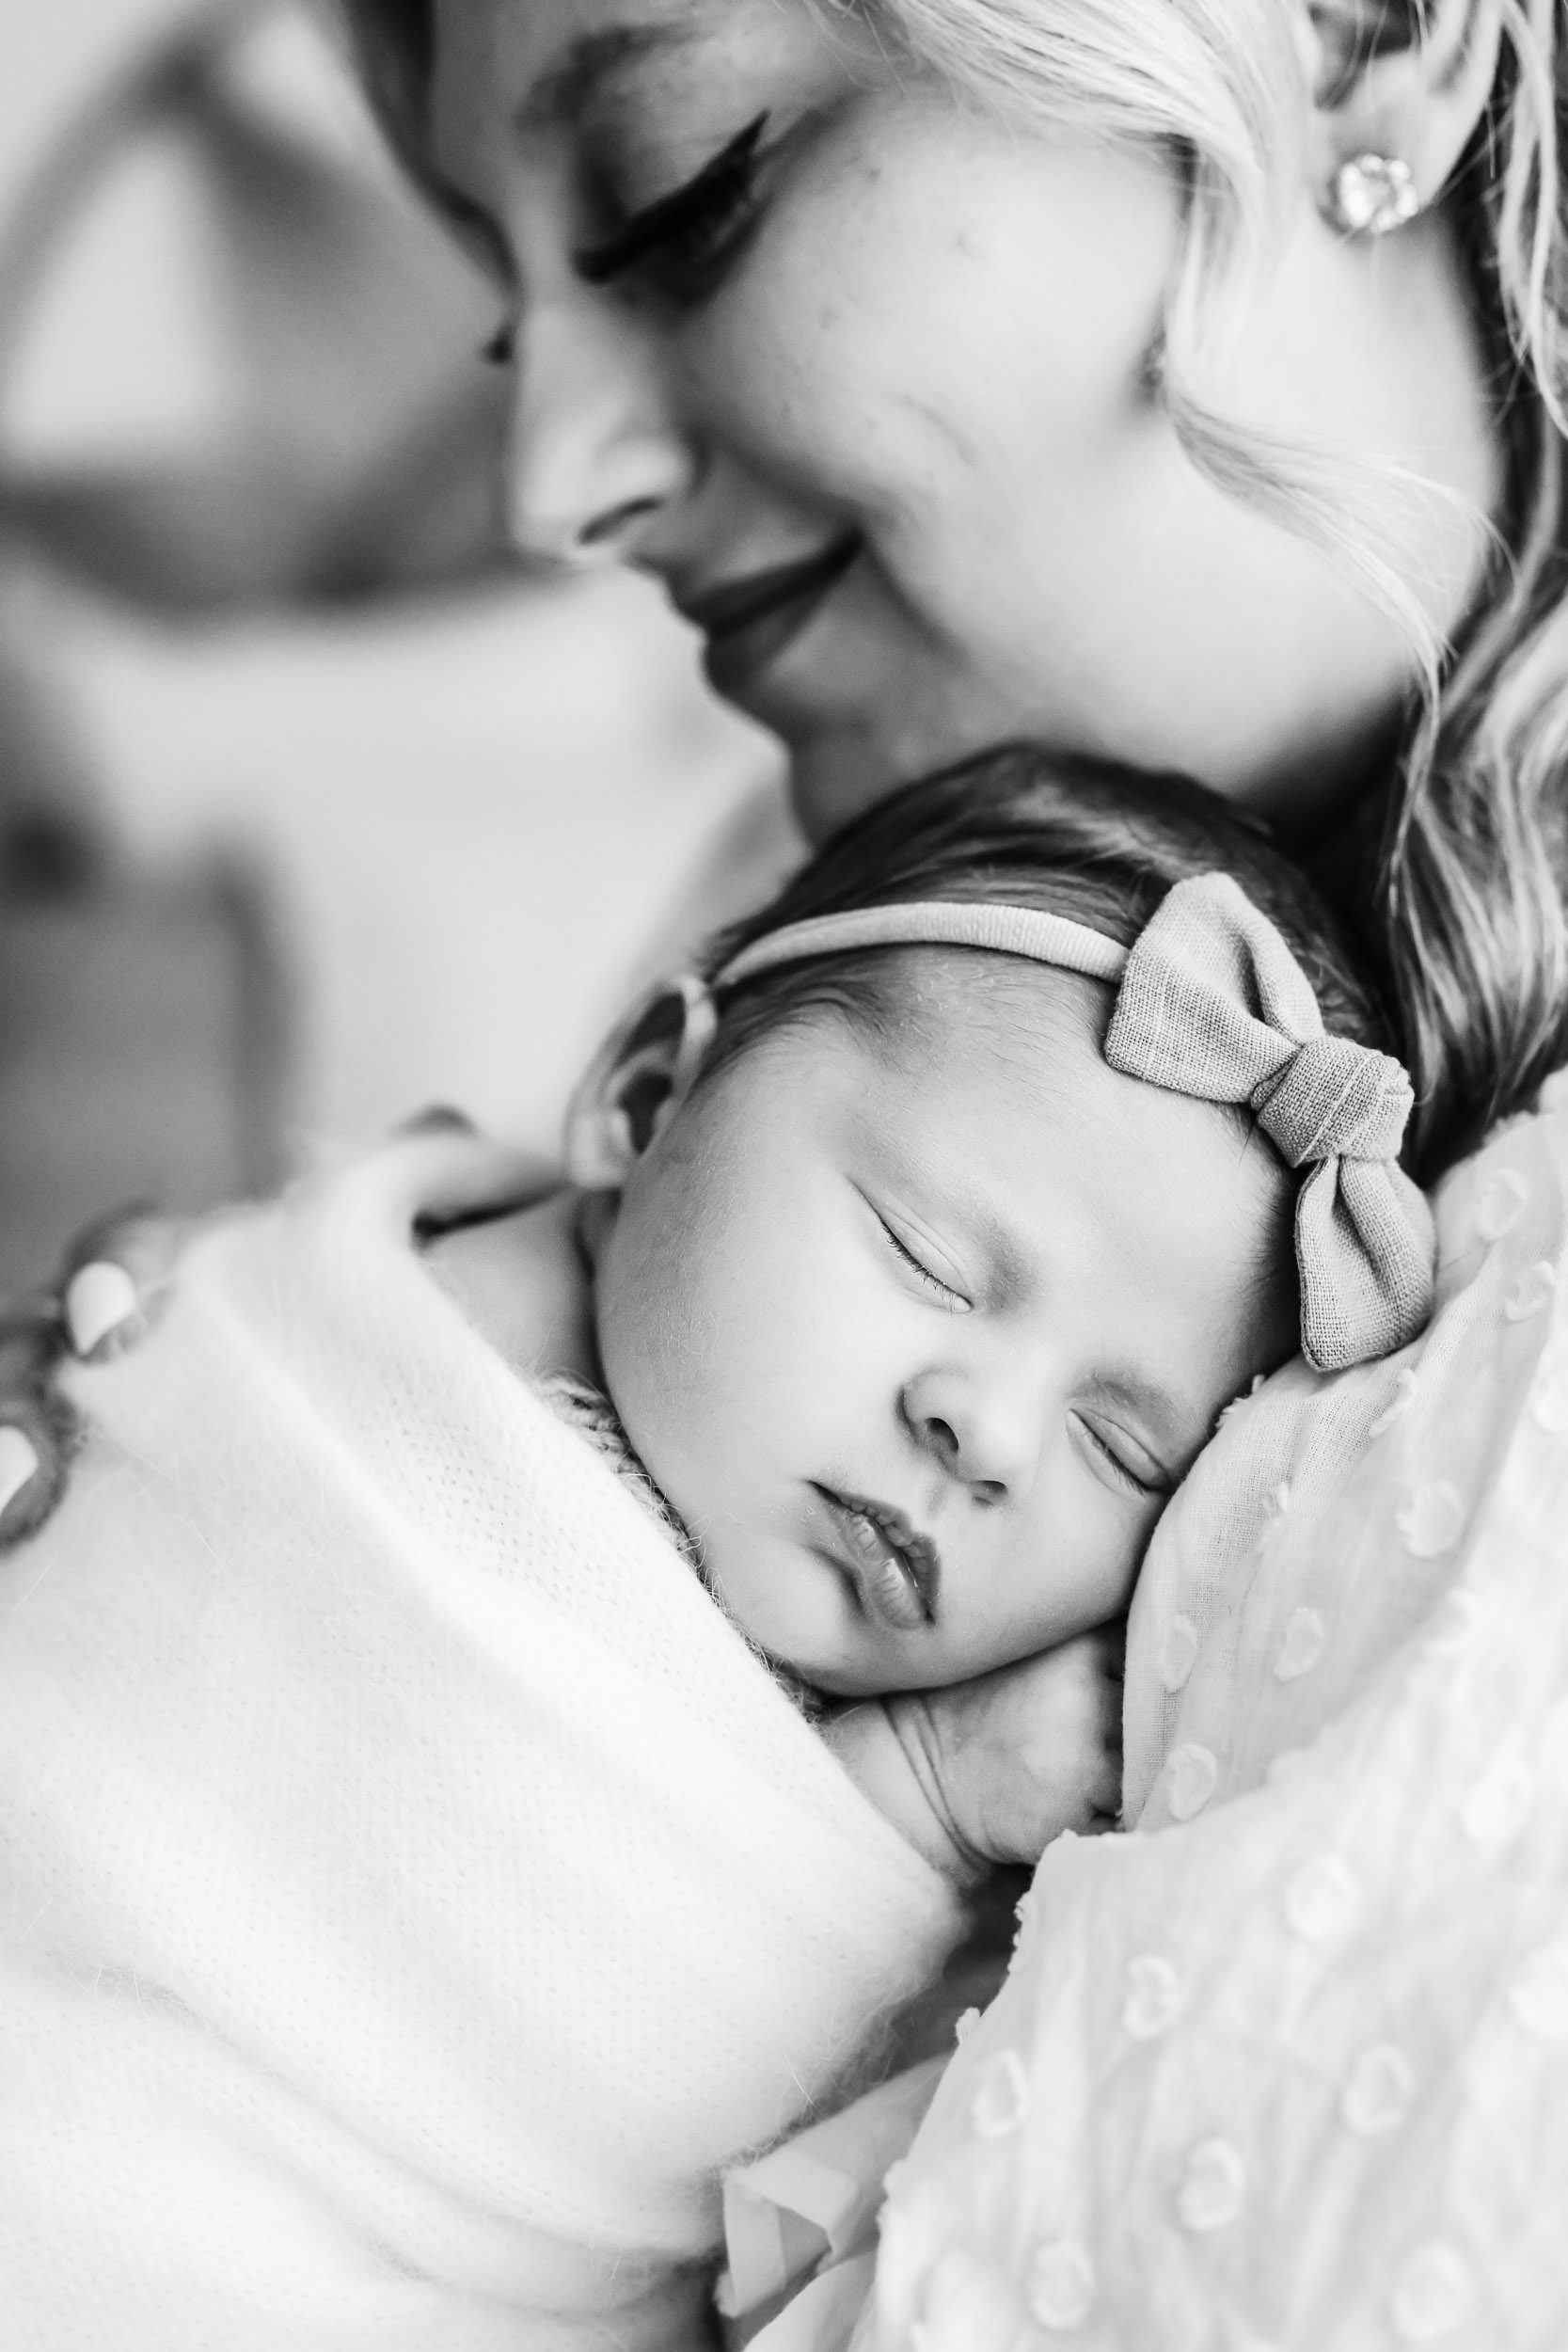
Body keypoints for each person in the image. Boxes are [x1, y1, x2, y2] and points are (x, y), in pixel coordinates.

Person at [0, 748, 1430, 2349]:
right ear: (640, 1106)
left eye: (1124, 1449)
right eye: (931, 1257)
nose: (996, 1436)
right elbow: (439, 1924)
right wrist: (913, 1798)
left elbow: (581, 2090)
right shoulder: (377, 1302)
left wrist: (905, 1808)